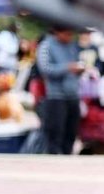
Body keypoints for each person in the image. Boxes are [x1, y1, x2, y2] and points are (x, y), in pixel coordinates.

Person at [36, 26, 83, 155]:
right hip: (56, 96)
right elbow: (45, 69)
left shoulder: (72, 46)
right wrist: (67, 68)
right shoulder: (46, 46)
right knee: (55, 133)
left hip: (73, 94)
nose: (69, 37)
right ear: (57, 32)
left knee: (71, 133)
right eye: (67, 33)